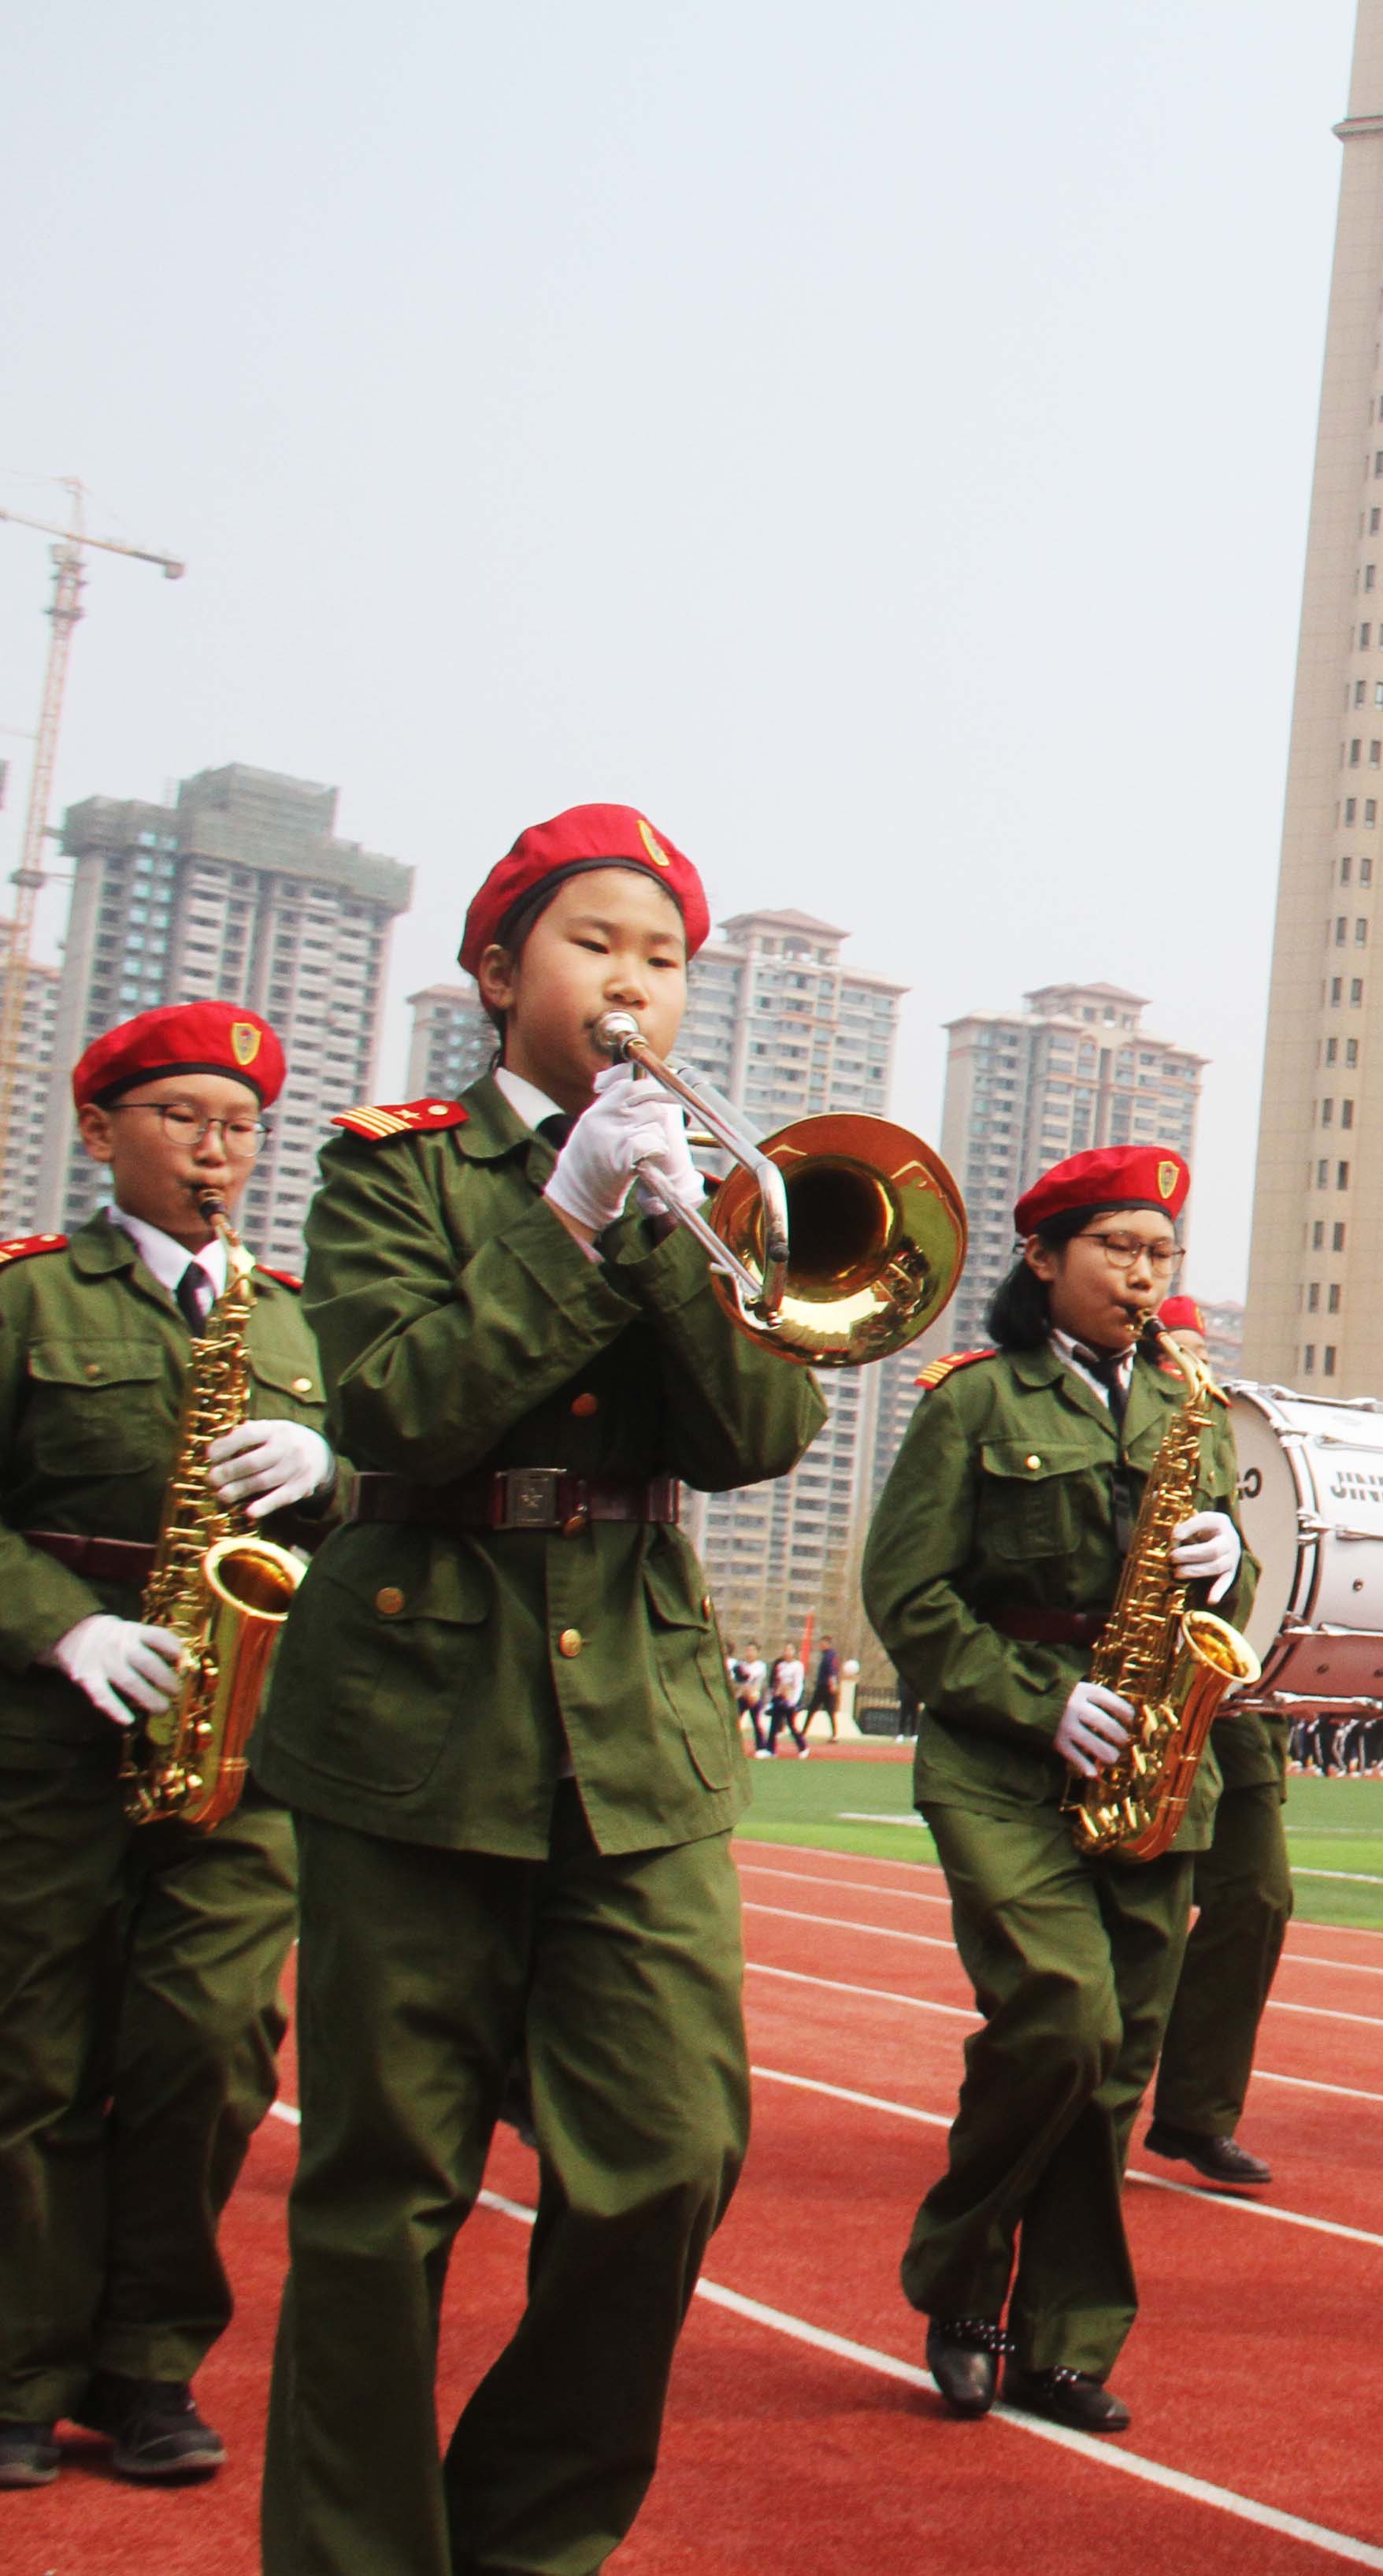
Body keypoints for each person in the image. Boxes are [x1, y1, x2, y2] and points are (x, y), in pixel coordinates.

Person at [249, 805, 827, 2574]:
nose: (634, 982)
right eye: (596, 945)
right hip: (413, 1719)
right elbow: (403, 1410)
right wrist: (562, 1224)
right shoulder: (393, 1168)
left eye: (663, 958)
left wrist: (669, 1234)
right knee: (380, 2205)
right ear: (501, 972)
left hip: (635, 1739)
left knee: (665, 2161)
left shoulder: (701, 1193)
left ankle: (519, 2542)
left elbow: (762, 1434)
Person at [0, 1002, 338, 2491]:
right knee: (36, 2062)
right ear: (100, 1132)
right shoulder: (23, 1301)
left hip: (235, 1729)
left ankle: (147, 2368)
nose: (218, 1151)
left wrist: (338, 1468)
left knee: (210, 2054)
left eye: (239, 1126)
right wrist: (60, 1628)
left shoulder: (297, 1319)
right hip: (47, 1726)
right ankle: (18, 2371)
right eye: (183, 1118)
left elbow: (386, 1512)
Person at [863, 1145, 1250, 2434]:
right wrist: (1040, 1703)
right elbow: (908, 1599)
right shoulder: (971, 1404)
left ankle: (1064, 2343)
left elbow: (1222, 1608)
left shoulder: (1188, 1404)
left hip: (1148, 1760)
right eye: (1118, 1250)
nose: (1145, 1277)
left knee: (1115, 2067)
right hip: (1005, 1759)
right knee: (1061, 2022)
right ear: (1042, 1260)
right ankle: (961, 2282)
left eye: (1161, 1256)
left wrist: (1230, 1556)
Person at [1143, 1297, 1296, 2196]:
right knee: (1136, 1918)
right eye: (1179, 1351)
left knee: (1258, 1900)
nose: (1194, 1365)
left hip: (1230, 1716)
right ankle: (1078, 2101)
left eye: (1203, 1351)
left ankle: (1198, 2112)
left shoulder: (1223, 1435)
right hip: (1124, 1703)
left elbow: (1261, 1561)